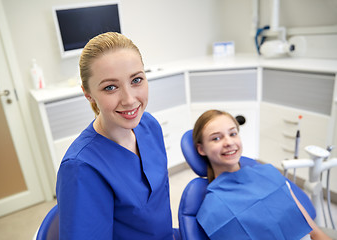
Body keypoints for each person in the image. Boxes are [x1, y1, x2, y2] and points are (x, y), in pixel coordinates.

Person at [56, 32, 173, 240]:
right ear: (88, 93)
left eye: (136, 80)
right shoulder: (82, 168)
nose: (129, 100)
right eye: (110, 87)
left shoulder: (149, 126)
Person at [192, 109, 331, 240]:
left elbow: (312, 229)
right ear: (201, 149)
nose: (228, 142)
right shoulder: (212, 209)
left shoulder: (269, 174)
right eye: (216, 138)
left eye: (233, 134)